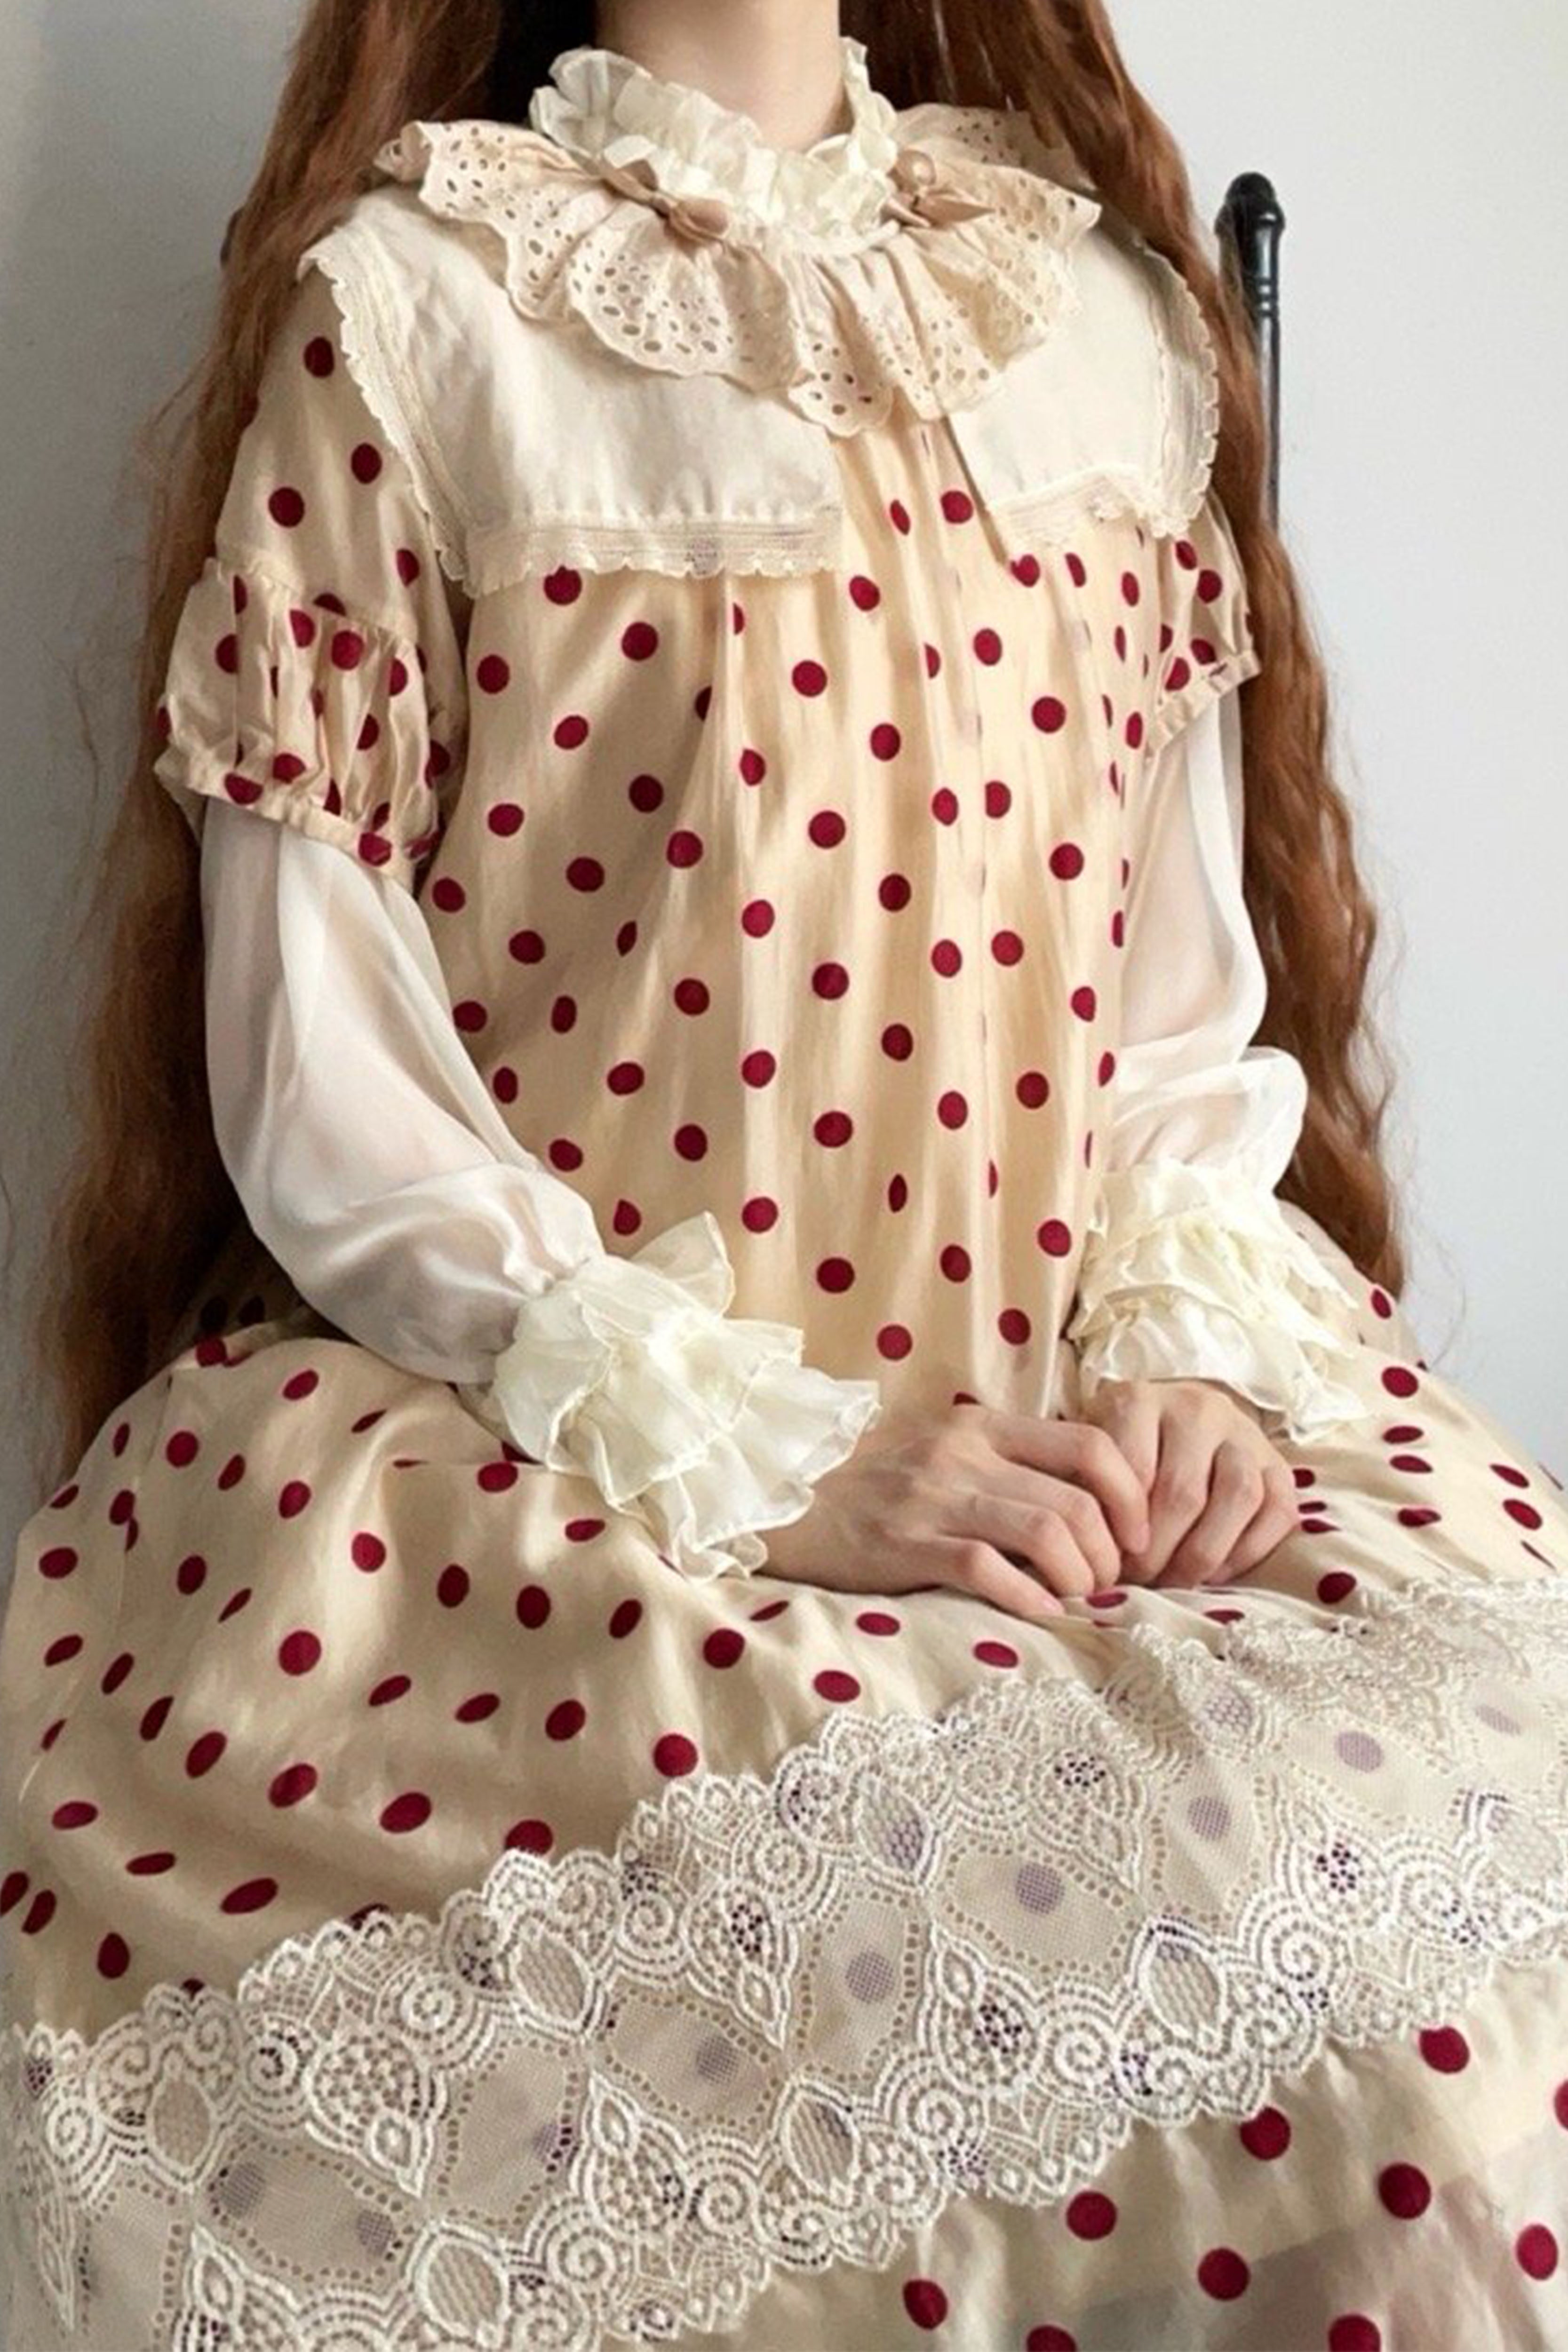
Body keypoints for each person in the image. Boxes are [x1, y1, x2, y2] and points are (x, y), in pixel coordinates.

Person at [4, 3, 1567, 2345]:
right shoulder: (420, 313)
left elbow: (1167, 998)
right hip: (569, 1482)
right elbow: (329, 1076)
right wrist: (783, 1460)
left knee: (1451, 1987)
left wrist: (1190, 1361)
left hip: (1086, 1455)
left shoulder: (1098, 321)